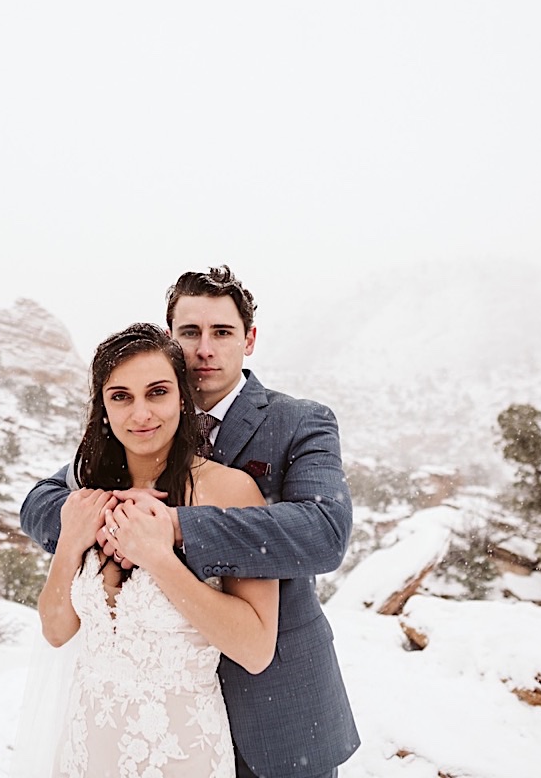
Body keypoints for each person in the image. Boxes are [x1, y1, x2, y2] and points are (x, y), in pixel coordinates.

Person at [22, 266, 360, 778]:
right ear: (171, 340)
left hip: (275, 712)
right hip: (126, 719)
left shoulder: (298, 422)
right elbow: (41, 503)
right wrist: (111, 511)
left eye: (222, 333)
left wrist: (174, 527)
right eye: (190, 333)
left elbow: (325, 533)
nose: (205, 349)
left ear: (248, 340)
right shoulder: (130, 429)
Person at [37, 322, 277, 777]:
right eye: (121, 396)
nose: (140, 413)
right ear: (103, 408)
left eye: (157, 392)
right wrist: (71, 541)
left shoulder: (230, 491)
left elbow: (255, 648)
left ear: (183, 399)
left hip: (180, 756)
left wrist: (158, 558)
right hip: (86, 749)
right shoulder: (92, 496)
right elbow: (56, 630)